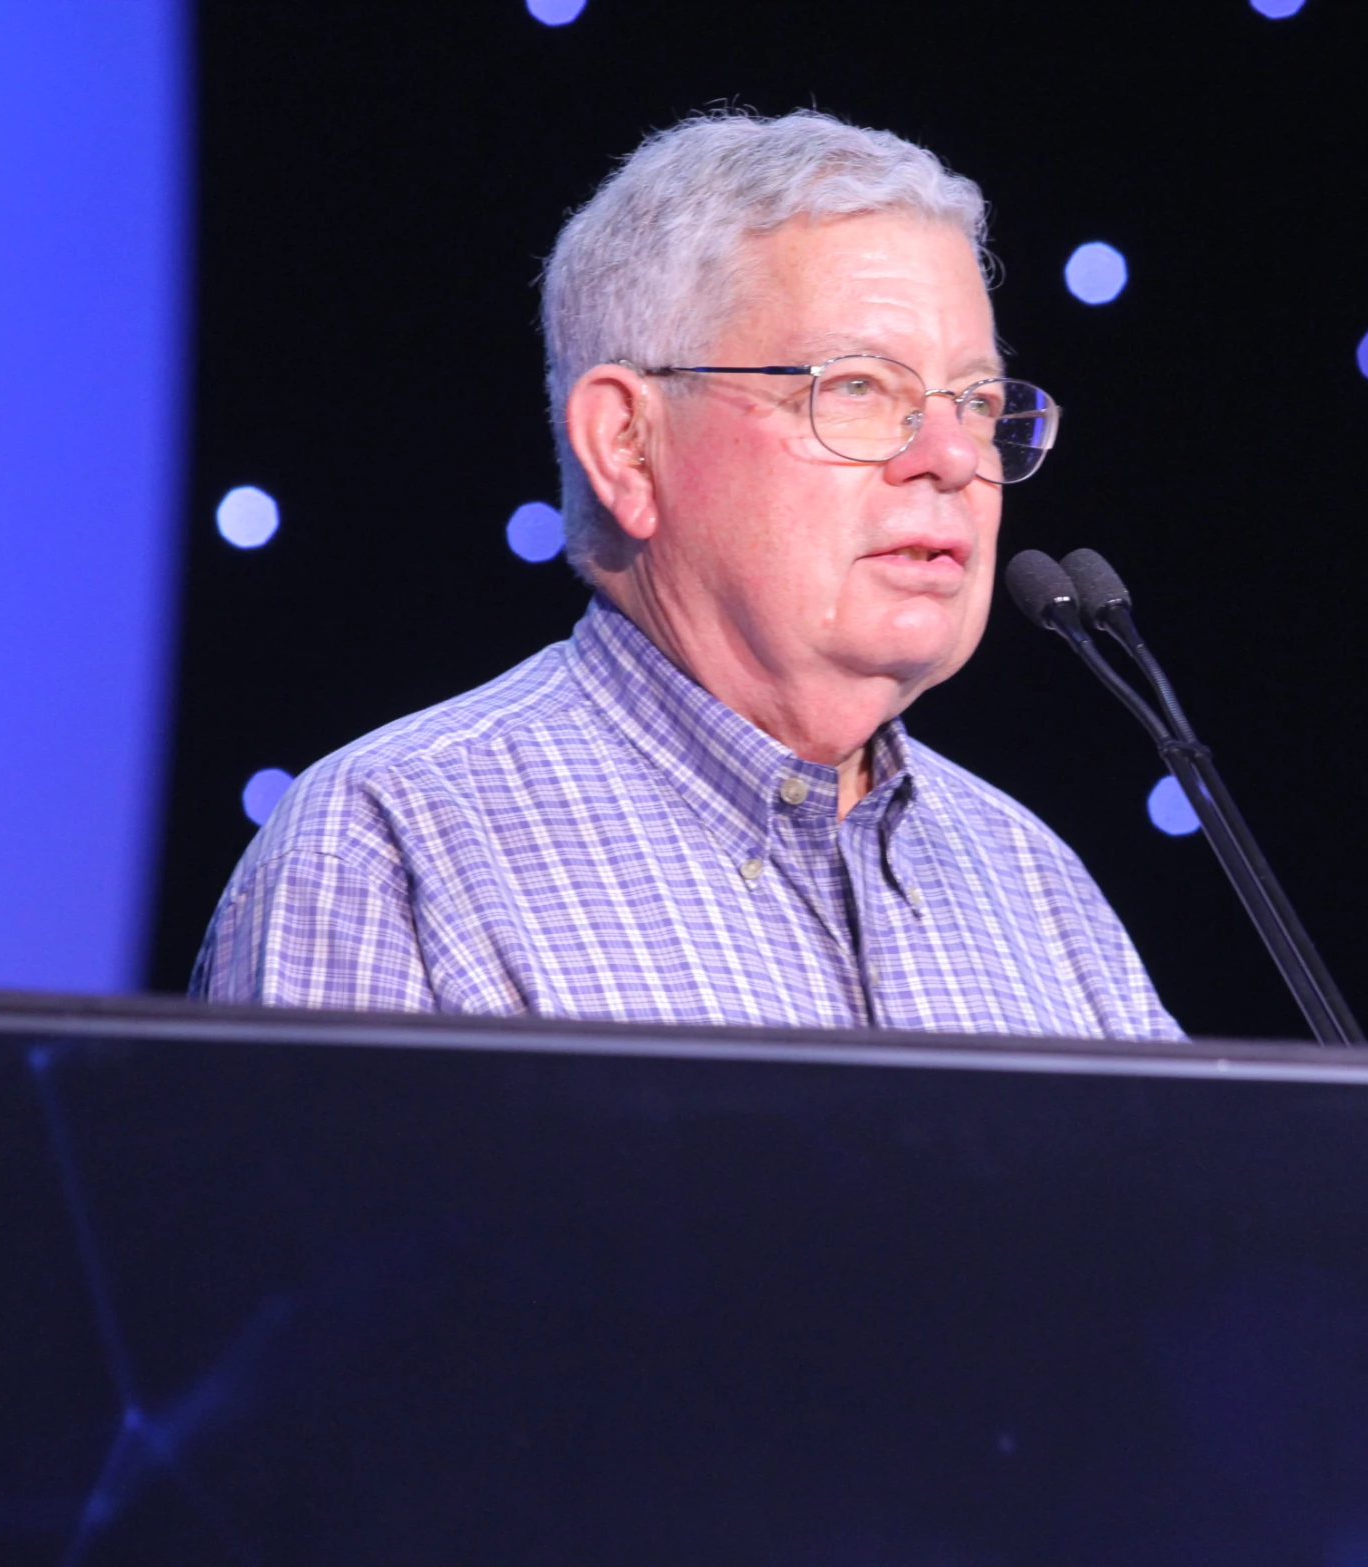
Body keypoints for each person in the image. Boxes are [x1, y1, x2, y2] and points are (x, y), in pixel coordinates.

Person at [191, 110, 1182, 1039]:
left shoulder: (1038, 890)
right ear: (626, 445)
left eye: (975, 399)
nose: (953, 458)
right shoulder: (390, 850)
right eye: (856, 388)